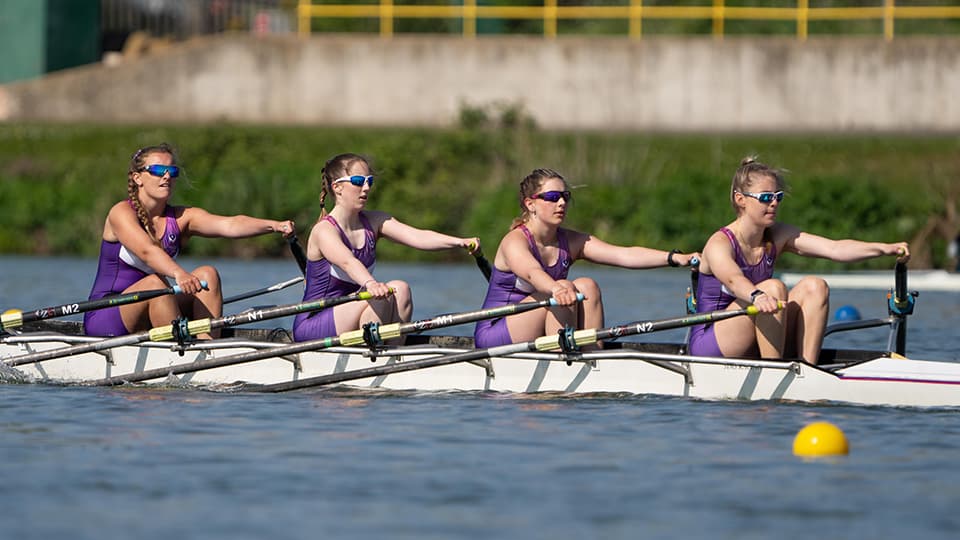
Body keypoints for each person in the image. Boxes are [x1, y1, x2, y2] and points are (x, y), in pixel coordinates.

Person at [688, 156, 910, 365]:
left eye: (778, 196)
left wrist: (883, 248)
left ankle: (805, 371)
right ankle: (774, 371)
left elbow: (834, 249)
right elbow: (734, 280)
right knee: (773, 288)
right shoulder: (719, 244)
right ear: (740, 199)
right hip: (711, 343)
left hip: (756, 326)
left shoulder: (778, 235)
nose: (774, 203)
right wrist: (758, 296)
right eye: (766, 197)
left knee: (815, 287)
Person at [84, 143, 296, 337]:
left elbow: (230, 224)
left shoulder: (182, 218)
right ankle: (180, 351)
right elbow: (147, 251)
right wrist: (179, 273)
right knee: (156, 284)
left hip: (157, 303)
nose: (167, 176)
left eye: (172, 171)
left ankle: (207, 348)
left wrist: (274, 225)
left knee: (207, 275)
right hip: (106, 315)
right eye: (158, 170)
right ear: (137, 177)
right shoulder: (121, 213)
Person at [473, 168, 698, 350]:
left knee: (587, 286)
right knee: (563, 286)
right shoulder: (515, 242)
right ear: (530, 204)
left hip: (538, 325)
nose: (561, 203)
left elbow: (623, 254)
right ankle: (560, 359)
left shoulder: (570, 241)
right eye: (552, 197)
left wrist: (674, 257)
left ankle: (592, 356)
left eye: (565, 196)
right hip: (496, 332)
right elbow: (533, 273)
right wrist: (557, 290)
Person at [292, 153, 480, 343]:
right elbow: (348, 262)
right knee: (379, 297)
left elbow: (417, 236)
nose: (366, 188)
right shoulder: (324, 230)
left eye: (369, 181)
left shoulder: (374, 221)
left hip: (353, 311)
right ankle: (372, 357)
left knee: (401, 288)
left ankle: (393, 356)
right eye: (358, 181)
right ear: (337, 187)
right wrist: (371, 284)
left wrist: (458, 242)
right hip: (314, 324)